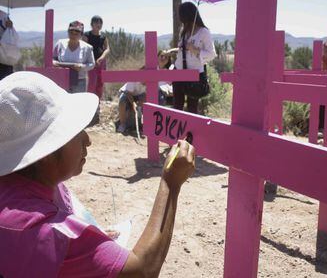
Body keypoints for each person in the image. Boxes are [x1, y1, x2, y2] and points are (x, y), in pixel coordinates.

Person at [0, 71, 195, 277]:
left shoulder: (22, 188)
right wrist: (170, 184)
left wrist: (88, 244)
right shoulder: (49, 230)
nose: (88, 140)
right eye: (73, 132)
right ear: (44, 153)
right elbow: (141, 271)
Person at [117, 50, 174, 135]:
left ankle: (148, 125)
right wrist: (133, 104)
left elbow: (150, 93)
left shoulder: (151, 81)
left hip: (140, 95)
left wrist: (141, 102)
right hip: (127, 93)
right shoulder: (134, 79)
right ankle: (122, 124)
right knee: (122, 101)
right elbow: (128, 92)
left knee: (150, 102)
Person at [172, 2, 216, 114]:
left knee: (192, 108)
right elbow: (182, 51)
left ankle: (191, 131)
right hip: (178, 72)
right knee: (177, 106)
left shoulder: (204, 32)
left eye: (181, 15)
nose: (180, 18)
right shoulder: (184, 31)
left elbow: (211, 54)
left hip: (194, 74)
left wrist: (195, 50)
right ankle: (178, 131)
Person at [53, 21, 95, 93]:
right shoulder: (60, 44)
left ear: (81, 34)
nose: (73, 34)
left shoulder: (87, 48)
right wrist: (55, 63)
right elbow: (52, 58)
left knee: (77, 103)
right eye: (71, 31)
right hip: (61, 80)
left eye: (77, 32)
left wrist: (81, 67)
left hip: (80, 81)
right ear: (68, 32)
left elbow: (92, 64)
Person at [83, 15, 110, 99]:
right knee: (92, 83)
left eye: (100, 22)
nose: (99, 24)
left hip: (101, 63)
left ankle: (98, 103)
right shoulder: (86, 35)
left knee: (100, 83)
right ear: (92, 24)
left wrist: (102, 58)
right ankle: (89, 103)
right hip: (91, 63)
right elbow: (83, 48)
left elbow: (107, 49)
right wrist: (91, 60)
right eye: (96, 22)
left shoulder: (103, 36)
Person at [0, 10, 15, 80]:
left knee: (5, 80)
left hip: (4, 56)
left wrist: (10, 27)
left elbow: (12, 36)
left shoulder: (4, 15)